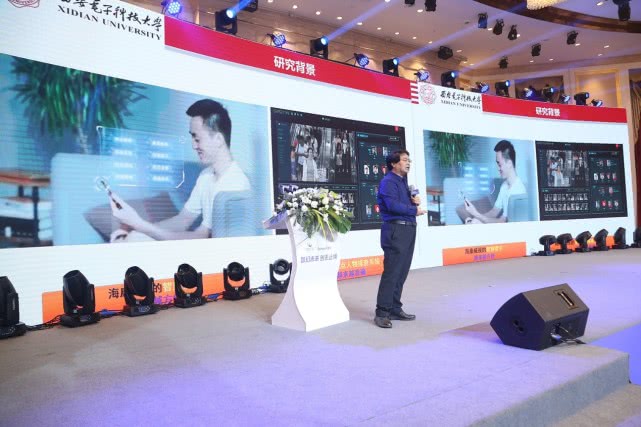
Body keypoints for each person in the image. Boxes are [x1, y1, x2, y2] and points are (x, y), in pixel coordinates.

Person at [109, 99, 250, 241]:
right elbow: (183, 220)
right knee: (133, 237)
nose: (193, 146)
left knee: (134, 239)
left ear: (218, 139)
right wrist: (137, 229)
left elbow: (201, 237)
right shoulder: (206, 176)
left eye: (197, 138)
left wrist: (138, 224)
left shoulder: (233, 184)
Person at [374, 150, 426, 329]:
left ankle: (394, 308)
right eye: (404, 160)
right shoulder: (388, 181)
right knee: (392, 272)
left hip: (408, 229)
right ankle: (382, 313)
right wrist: (413, 210)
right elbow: (392, 206)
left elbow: (402, 204)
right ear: (393, 164)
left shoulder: (403, 182)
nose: (408, 162)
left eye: (409, 160)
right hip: (396, 230)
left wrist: (413, 202)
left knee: (401, 272)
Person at [462, 140, 526, 224]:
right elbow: (494, 211)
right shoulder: (504, 186)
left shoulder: (517, 191)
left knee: (475, 222)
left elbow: (503, 222)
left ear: (509, 163)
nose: (498, 168)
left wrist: (476, 214)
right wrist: (475, 217)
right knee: (473, 221)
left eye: (499, 164)